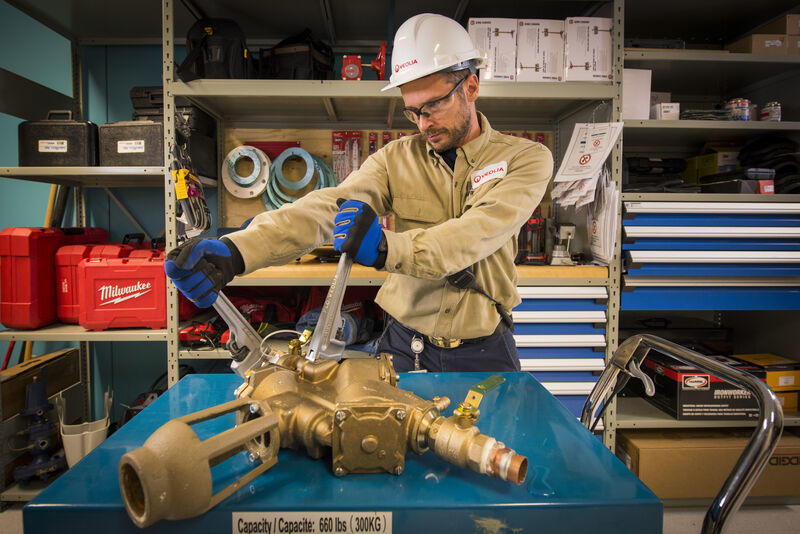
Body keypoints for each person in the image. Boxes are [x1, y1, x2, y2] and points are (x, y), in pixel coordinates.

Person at [165, 13, 553, 373]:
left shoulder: (527, 158)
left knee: (496, 447)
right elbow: (326, 208)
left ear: (470, 86)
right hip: (403, 346)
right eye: (412, 111)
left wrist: (387, 249)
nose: (423, 124)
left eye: (433, 105)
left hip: (484, 349)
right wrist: (238, 250)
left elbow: (475, 233)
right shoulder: (395, 158)